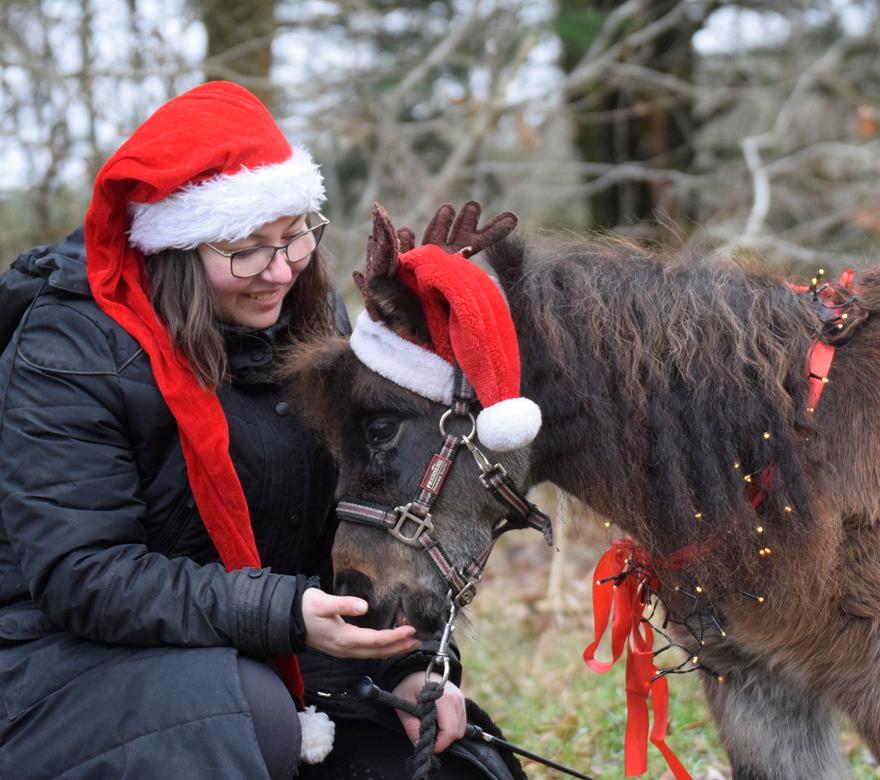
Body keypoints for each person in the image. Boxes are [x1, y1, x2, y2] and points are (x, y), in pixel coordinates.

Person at [0, 81, 515, 779]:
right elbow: (82, 575)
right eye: (247, 249)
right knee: (250, 718)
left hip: (271, 646)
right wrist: (284, 613)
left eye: (296, 235)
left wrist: (406, 667)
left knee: (451, 763)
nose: (279, 270)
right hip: (65, 664)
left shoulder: (312, 321)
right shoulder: (72, 352)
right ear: (175, 248)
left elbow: (354, 525)